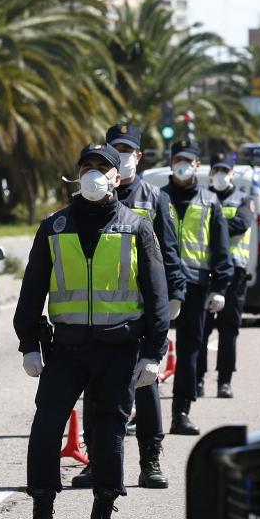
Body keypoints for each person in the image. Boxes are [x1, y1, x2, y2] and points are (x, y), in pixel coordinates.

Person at [14, 143, 169, 519]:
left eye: (104, 168)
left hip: (117, 350)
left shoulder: (137, 228)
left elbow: (156, 298)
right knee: (46, 428)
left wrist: (153, 354)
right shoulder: (54, 227)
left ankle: (102, 513)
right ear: (77, 174)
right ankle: (41, 516)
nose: (95, 174)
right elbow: (31, 292)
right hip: (64, 350)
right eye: (88, 167)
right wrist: (29, 343)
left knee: (108, 432)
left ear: (118, 178)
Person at [73, 123, 186, 491]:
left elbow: (169, 252)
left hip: (140, 313)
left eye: (127, 149)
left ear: (139, 155)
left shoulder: (154, 199)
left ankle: (150, 460)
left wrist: (174, 295)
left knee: (146, 385)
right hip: (101, 316)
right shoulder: (91, 196)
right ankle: (96, 460)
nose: (120, 156)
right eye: (114, 148)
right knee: (95, 392)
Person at [161, 140, 232, 435]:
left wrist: (220, 288)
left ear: (197, 165)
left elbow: (221, 249)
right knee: (146, 352)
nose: (182, 165)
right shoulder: (157, 198)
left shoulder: (209, 202)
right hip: (158, 285)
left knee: (190, 350)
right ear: (170, 163)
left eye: (187, 161)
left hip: (196, 287)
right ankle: (137, 412)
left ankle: (181, 413)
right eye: (178, 159)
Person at [197, 151, 255, 399]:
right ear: (210, 173)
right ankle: (197, 380)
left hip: (235, 275)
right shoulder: (203, 199)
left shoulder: (244, 199)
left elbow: (241, 224)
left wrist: (215, 225)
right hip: (207, 271)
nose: (220, 175)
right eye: (216, 170)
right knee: (201, 330)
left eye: (225, 171)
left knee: (229, 330)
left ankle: (224, 381)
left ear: (232, 174)